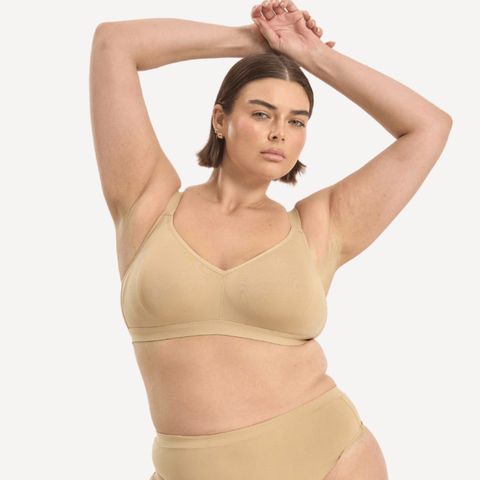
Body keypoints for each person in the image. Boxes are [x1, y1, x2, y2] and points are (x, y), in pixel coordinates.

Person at [89, 1, 452, 478]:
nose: (280, 133)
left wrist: (311, 55)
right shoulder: (147, 202)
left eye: (297, 121)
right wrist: (255, 42)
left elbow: (429, 126)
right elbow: (114, 44)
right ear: (220, 120)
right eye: (262, 114)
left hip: (328, 461)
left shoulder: (321, 225)